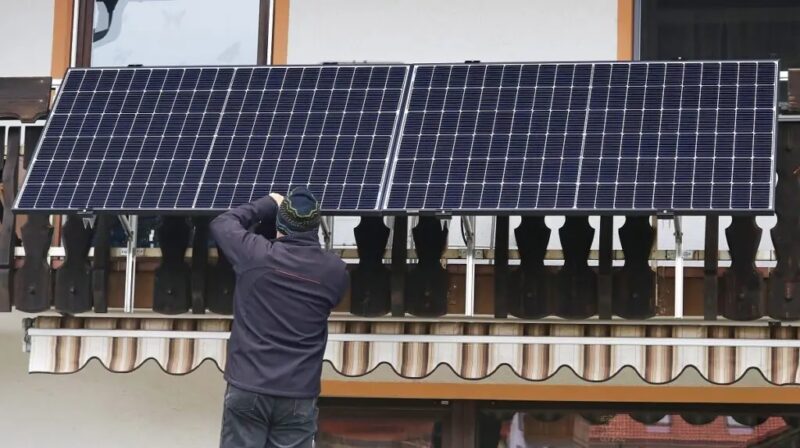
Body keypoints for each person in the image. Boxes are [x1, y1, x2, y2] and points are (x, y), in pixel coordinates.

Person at [211, 186, 349, 448]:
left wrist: (267, 203)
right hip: (298, 394)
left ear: (279, 224)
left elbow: (223, 223)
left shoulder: (256, 255)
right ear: (316, 227)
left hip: (249, 385)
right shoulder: (335, 271)